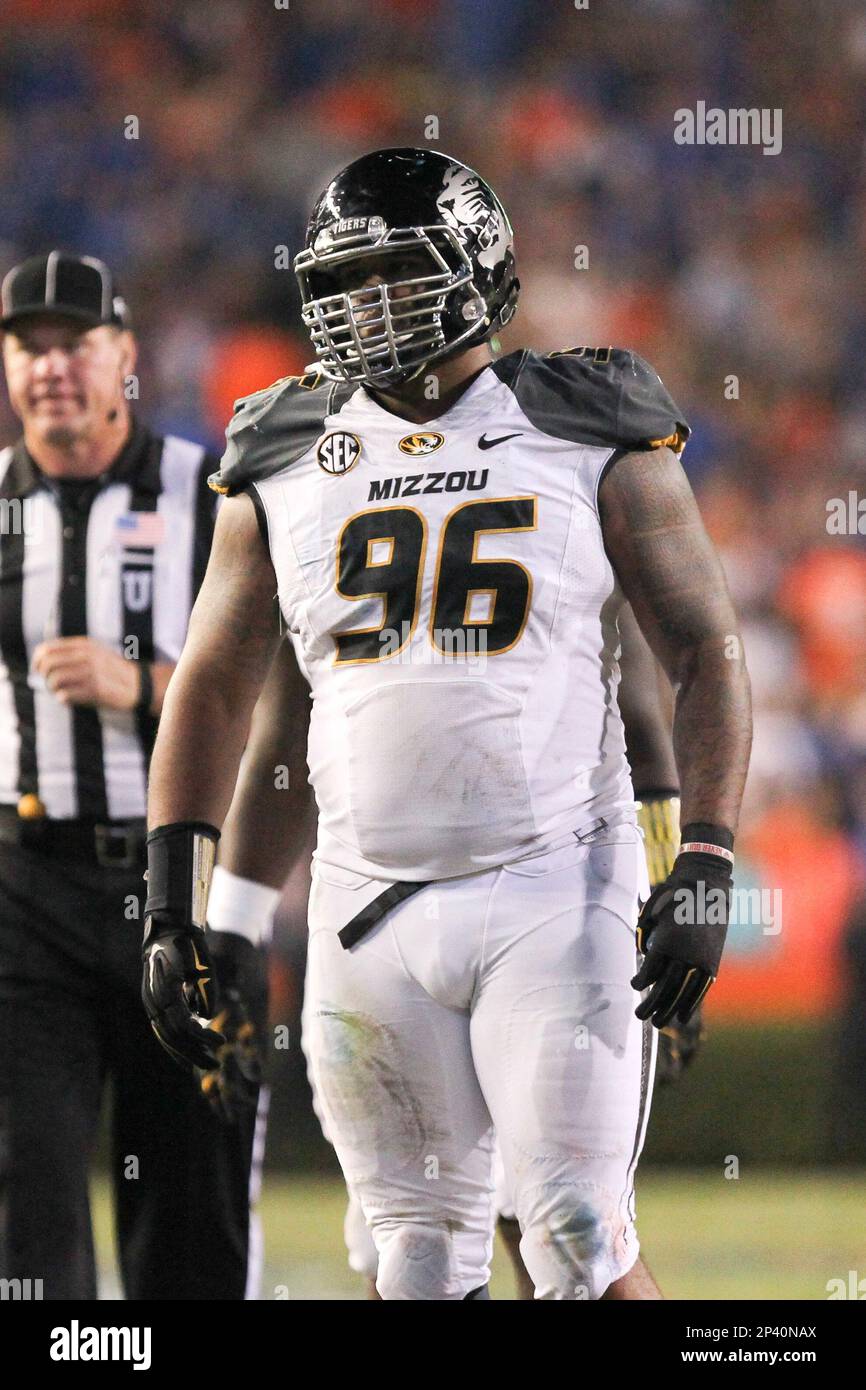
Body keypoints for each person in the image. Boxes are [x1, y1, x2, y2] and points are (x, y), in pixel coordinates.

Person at [142, 148, 752, 1300]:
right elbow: (223, 692)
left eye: (391, 273)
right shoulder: (281, 443)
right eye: (344, 281)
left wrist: (701, 860)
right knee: (414, 1254)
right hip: (363, 904)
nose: (363, 305)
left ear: (474, 265)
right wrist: (188, 905)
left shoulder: (584, 416)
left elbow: (700, 656)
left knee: (572, 1235)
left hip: (553, 886)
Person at [210, 602, 700, 1301]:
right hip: (380, 917)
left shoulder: (576, 526)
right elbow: (285, 734)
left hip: (548, 908)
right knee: (411, 1249)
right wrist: (232, 929)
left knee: (570, 1236)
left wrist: (671, 897)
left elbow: (643, 726)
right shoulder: (311, 532)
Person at [0, 250, 264, 1300]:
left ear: (125, 355)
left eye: (75, 343)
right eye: (29, 347)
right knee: (29, 1197)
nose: (51, 367)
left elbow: (283, 696)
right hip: (24, 886)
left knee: (191, 1203)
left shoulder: (215, 493)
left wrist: (146, 683)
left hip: (185, 883)